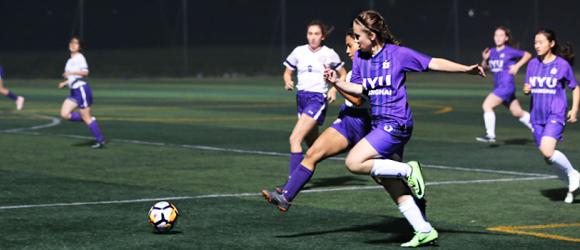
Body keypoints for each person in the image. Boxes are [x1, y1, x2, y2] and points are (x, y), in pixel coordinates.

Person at [325, 10, 485, 247]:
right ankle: (424, 230)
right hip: (379, 124)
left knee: (353, 162)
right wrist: (337, 82)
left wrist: (465, 69)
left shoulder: (397, 54)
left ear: (372, 34)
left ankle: (408, 170)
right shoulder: (361, 59)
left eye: (359, 36)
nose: (356, 41)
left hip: (397, 122)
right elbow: (360, 90)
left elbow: (432, 62)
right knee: (388, 180)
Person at [282, 20, 347, 176]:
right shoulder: (299, 51)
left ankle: (292, 182)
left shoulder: (329, 53)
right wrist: (287, 81)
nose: (312, 37)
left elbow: (343, 74)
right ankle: (342, 146)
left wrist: (333, 89)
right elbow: (287, 72)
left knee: (295, 139)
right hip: (301, 99)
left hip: (316, 99)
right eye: (310, 33)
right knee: (313, 147)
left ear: (323, 36)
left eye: (316, 34)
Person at [523, 29, 579, 203]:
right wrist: (526, 90)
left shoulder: (562, 65)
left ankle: (574, 174)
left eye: (541, 42)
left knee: (547, 151)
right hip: (536, 115)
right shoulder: (532, 64)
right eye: (535, 42)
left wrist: (574, 109)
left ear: (551, 43)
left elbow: (575, 87)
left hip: (555, 112)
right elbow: (527, 86)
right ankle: (572, 185)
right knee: (548, 158)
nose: (537, 45)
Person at [477, 26, 533, 143]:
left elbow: (527, 55)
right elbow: (484, 68)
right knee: (517, 112)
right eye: (496, 35)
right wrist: (484, 59)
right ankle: (539, 129)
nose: (498, 38)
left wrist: (517, 66)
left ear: (506, 38)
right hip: (499, 86)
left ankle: (490, 135)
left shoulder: (509, 51)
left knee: (487, 105)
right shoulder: (491, 52)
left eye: (501, 35)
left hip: (506, 86)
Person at [58, 36, 106, 149]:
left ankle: (100, 140)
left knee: (86, 117)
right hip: (74, 92)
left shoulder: (80, 57)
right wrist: (65, 83)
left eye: (76, 43)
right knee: (64, 114)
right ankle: (89, 119)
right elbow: (73, 77)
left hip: (82, 90)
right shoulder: (69, 60)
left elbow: (85, 72)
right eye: (71, 42)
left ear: (79, 47)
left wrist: (70, 74)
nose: (73, 44)